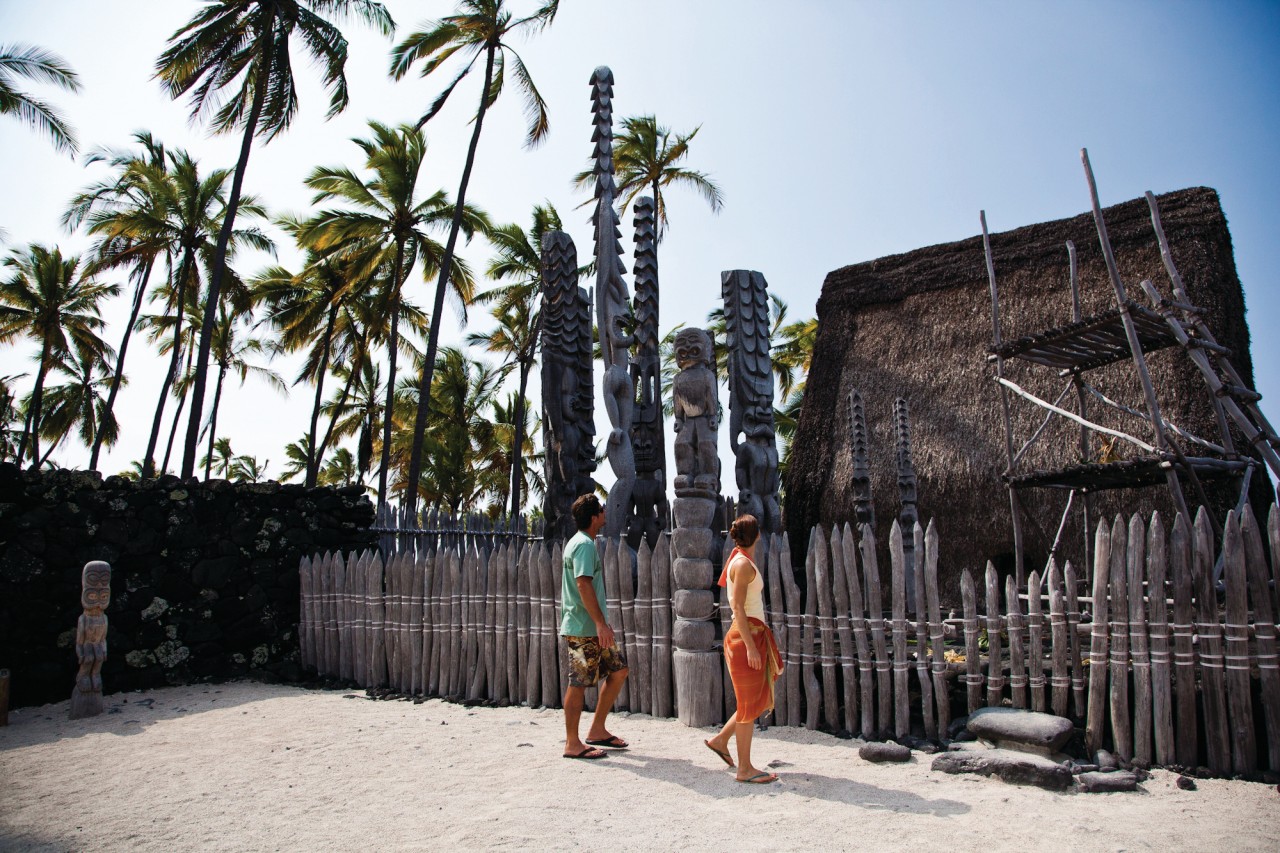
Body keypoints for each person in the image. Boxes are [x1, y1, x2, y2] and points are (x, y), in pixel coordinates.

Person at [703, 514, 784, 783]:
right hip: (745, 637)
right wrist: (750, 647)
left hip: (749, 634)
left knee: (751, 701)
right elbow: (737, 606)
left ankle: (720, 740)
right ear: (758, 535)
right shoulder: (743, 564)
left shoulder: (740, 560)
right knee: (749, 704)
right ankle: (745, 769)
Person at [560, 493, 630, 759]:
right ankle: (572, 743)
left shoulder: (583, 543)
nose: (604, 511)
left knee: (619, 670)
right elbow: (583, 583)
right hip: (583, 627)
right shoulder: (584, 546)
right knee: (578, 682)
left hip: (594, 626)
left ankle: (598, 729)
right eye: (601, 509)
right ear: (593, 517)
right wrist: (600, 624)